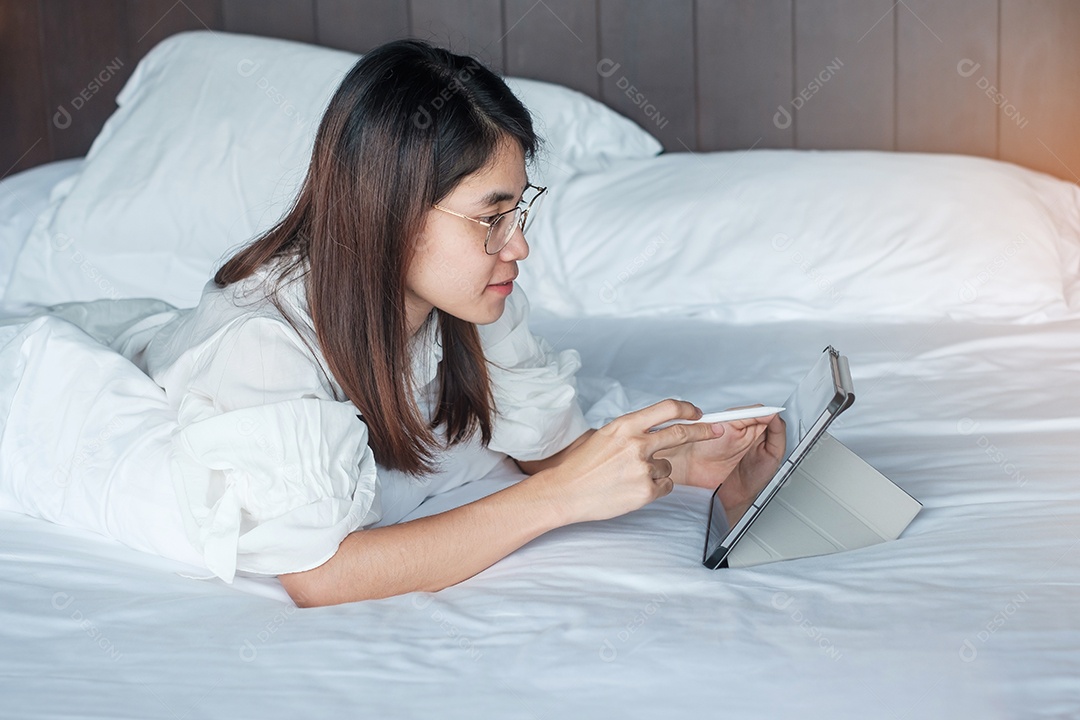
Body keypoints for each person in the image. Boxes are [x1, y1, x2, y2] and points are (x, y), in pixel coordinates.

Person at [9, 40, 785, 607]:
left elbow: (534, 451)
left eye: (520, 211)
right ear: (395, 213)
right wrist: (558, 501)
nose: (518, 246)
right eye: (490, 217)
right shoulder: (261, 345)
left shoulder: (470, 296)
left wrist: (677, 461)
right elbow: (321, 574)